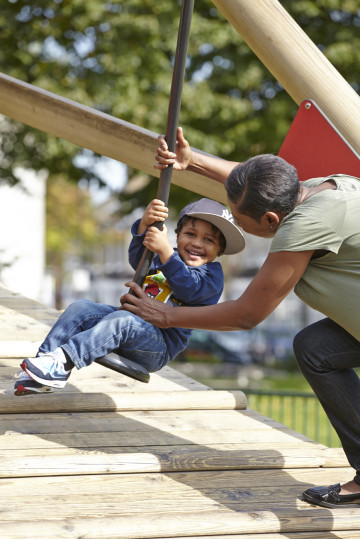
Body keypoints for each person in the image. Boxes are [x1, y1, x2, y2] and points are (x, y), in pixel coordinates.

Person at [119, 126, 360, 509]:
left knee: (314, 348)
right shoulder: (312, 188)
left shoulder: (303, 225)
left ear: (269, 219)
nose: (234, 222)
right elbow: (250, 178)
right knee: (316, 349)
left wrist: (167, 315)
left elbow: (247, 314)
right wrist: (192, 160)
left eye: (236, 217)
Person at [15, 196, 244, 395]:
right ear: (177, 236)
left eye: (208, 240)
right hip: (126, 324)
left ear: (220, 250)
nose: (196, 243)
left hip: (157, 346)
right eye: (190, 234)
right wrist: (144, 225)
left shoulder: (211, 275)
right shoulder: (167, 257)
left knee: (124, 321)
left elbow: (189, 287)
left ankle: (64, 361)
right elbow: (139, 261)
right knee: (80, 308)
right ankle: (44, 365)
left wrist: (165, 251)